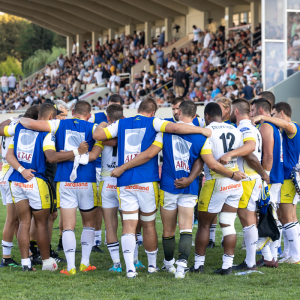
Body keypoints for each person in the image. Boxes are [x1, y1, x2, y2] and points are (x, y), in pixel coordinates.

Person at [93, 96, 212, 278]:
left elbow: (98, 136)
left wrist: (102, 124)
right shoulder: (155, 123)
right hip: (148, 181)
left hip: (124, 180)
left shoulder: (122, 124)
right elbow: (176, 128)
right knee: (149, 225)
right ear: (153, 112)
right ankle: (151, 266)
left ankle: (130, 269)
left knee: (128, 226)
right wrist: (202, 130)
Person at [19, 101, 103, 275]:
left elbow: (34, 127)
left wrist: (19, 119)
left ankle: (71, 266)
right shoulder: (95, 128)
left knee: (68, 227)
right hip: (87, 180)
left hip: (65, 181)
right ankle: (85, 263)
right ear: (89, 114)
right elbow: (98, 150)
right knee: (88, 224)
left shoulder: (58, 124)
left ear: (72, 112)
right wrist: (81, 154)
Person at [6, 104, 88, 272]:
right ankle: (46, 263)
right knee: (42, 223)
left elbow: (9, 154)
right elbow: (50, 157)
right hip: (37, 180)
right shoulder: (47, 132)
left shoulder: (19, 127)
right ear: (51, 117)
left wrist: (21, 170)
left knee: (23, 222)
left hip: (17, 179)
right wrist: (76, 152)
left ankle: (25, 263)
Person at [191, 102, 245, 275]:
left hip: (218, 180)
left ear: (206, 116)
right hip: (236, 182)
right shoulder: (235, 130)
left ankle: (199, 265)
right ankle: (227, 266)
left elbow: (212, 164)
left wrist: (229, 174)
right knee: (228, 224)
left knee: (204, 225)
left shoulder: (208, 132)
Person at [218, 98, 269, 271]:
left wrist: (230, 154)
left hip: (248, 178)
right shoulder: (250, 127)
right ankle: (253, 260)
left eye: (231, 110)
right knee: (248, 219)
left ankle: (250, 262)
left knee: (247, 220)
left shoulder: (245, 127)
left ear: (236, 111)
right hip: (251, 178)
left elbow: (250, 150)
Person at [252, 102, 300, 264]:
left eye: (273, 115)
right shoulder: (283, 131)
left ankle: (296, 255)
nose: (271, 118)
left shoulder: (292, 127)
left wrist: (263, 117)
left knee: (288, 216)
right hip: (285, 176)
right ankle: (288, 252)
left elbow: (287, 124)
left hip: (288, 176)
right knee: (283, 216)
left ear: (280, 113)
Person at [0, 106, 40, 267]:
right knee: (13, 219)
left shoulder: (10, 123)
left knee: (17, 219)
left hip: (5, 173)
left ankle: (27, 254)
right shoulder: (20, 127)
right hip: (12, 174)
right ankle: (6, 257)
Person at [251, 98, 284, 267]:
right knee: (270, 215)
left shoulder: (265, 126)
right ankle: (271, 256)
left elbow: (268, 154)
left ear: (260, 111)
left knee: (264, 215)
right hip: (275, 176)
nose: (250, 113)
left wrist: (265, 175)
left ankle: (269, 257)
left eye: (252, 110)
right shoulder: (274, 126)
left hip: (269, 177)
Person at [98, 104, 124, 272]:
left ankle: (116, 264)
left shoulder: (102, 135)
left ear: (108, 118)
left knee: (110, 224)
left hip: (107, 180)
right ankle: (135, 260)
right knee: (130, 224)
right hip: (124, 181)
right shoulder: (128, 131)